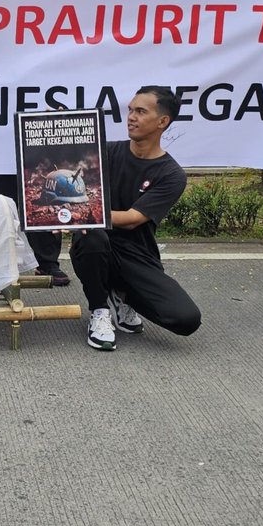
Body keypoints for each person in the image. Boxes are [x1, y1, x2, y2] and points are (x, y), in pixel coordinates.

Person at [71, 86, 201, 350]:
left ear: (162, 121)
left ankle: (120, 294)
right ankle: (99, 310)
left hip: (137, 254)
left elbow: (132, 218)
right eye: (130, 110)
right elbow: (67, 172)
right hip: (96, 244)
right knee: (91, 235)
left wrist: (82, 214)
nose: (131, 117)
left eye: (140, 111)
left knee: (186, 319)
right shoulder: (104, 152)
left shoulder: (171, 174)